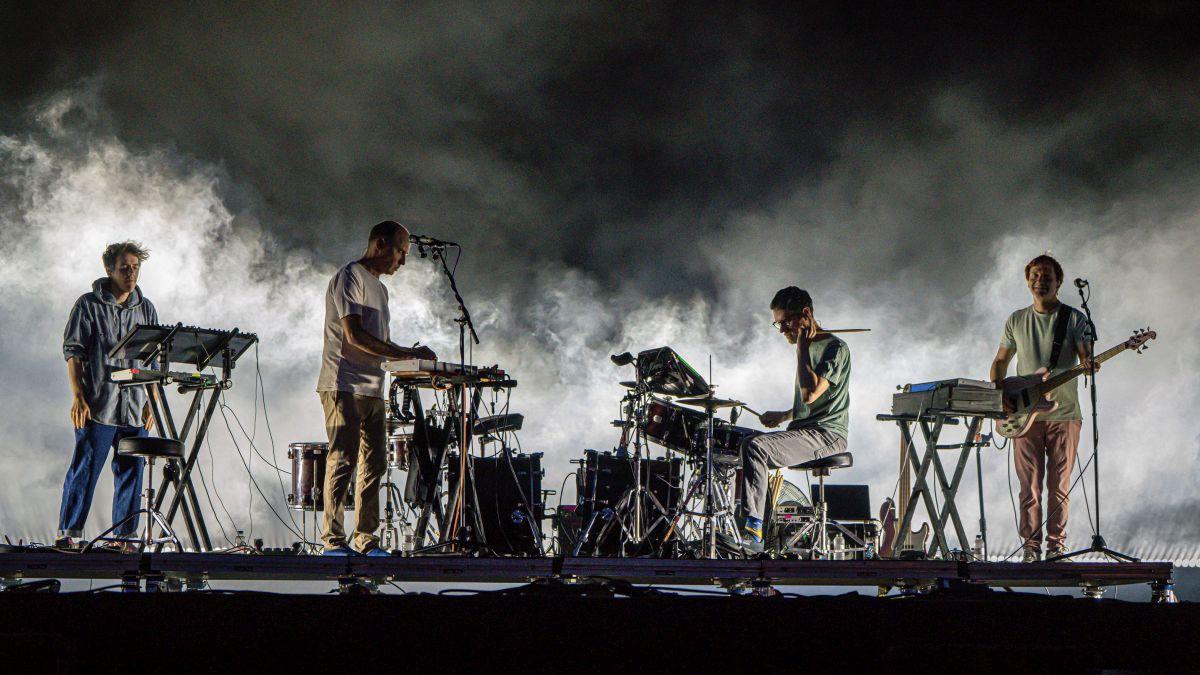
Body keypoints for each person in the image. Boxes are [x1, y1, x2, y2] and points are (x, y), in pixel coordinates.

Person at [316, 220, 436, 556]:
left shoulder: (380, 289)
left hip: (373, 387)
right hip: (343, 383)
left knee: (375, 464)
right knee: (343, 459)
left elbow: (380, 344)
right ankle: (332, 541)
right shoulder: (350, 277)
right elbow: (354, 336)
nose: (403, 261)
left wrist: (409, 361)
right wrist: (406, 354)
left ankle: (366, 540)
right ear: (380, 244)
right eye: (401, 251)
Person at [990, 254, 1095, 562]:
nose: (1040, 281)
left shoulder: (1074, 319)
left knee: (1059, 486)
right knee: (1030, 486)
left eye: (1047, 276)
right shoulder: (1016, 319)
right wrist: (999, 392)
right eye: (1035, 276)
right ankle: (1031, 548)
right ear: (1028, 281)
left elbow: (1085, 357)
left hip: (1065, 414)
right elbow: (1000, 361)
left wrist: (1089, 362)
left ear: (1058, 282)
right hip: (1024, 415)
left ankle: (1056, 547)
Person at [733, 286, 851, 554]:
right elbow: (813, 403)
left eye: (786, 322)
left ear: (805, 314)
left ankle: (753, 533)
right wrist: (785, 415)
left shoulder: (835, 348)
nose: (782, 330)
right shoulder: (810, 348)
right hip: (807, 430)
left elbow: (809, 394)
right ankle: (737, 526)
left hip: (827, 435)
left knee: (756, 447)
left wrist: (802, 347)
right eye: (778, 324)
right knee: (742, 443)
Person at [57, 241, 158, 550]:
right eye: (125, 268)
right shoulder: (88, 305)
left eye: (135, 268)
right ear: (109, 269)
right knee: (85, 470)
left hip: (134, 407)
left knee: (132, 472)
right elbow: (74, 352)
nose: (131, 274)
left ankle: (124, 539)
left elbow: (154, 358)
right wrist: (78, 397)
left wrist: (152, 401)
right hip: (99, 404)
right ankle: (68, 534)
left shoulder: (146, 308)